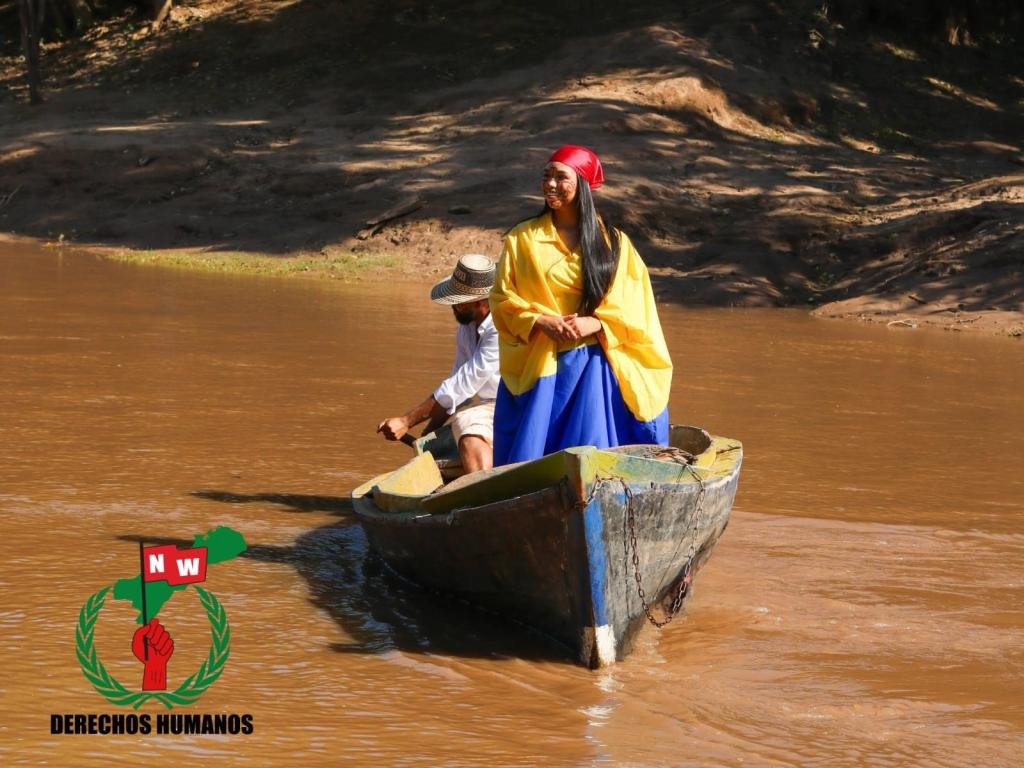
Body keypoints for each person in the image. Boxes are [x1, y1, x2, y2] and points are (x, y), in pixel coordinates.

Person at [488, 145, 673, 465]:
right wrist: (539, 321)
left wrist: (597, 322)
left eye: (561, 177)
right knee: (534, 456)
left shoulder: (613, 243)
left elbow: (635, 303)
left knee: (590, 451)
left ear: (583, 184)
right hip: (541, 358)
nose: (550, 184)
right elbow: (502, 298)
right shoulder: (522, 238)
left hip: (592, 362)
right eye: (546, 176)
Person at [377, 254, 499, 473]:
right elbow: (457, 388)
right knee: (443, 439)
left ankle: (483, 493)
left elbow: (463, 384)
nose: (453, 308)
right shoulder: (467, 328)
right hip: (491, 406)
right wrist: (427, 436)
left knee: (467, 423)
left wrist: (406, 421)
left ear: (481, 302)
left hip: (516, 404)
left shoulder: (500, 329)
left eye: (459, 304)